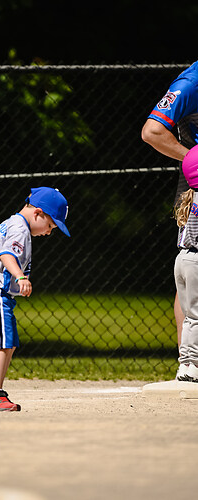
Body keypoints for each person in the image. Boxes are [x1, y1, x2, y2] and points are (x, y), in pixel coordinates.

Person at [0, 187, 70, 411]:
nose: (49, 232)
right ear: (38, 213)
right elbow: (6, 255)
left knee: (9, 343)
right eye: (51, 225)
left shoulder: (7, 224)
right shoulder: (20, 229)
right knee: (3, 343)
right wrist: (20, 276)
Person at [141, 61, 198, 349]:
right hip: (197, 185)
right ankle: (190, 359)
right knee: (195, 268)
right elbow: (152, 131)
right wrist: (193, 160)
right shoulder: (192, 82)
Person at [173, 145, 198, 381]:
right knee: (197, 316)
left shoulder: (190, 195)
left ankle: (186, 365)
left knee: (191, 315)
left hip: (182, 259)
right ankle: (194, 366)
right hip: (196, 261)